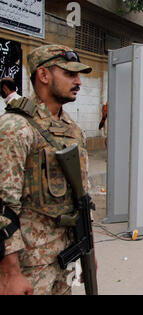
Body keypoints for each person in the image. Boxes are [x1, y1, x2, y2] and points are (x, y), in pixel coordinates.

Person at [0, 44, 93, 295]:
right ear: (43, 75)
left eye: (78, 75)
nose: (78, 81)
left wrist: (88, 251)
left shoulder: (73, 131)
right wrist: (10, 273)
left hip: (64, 258)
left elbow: (82, 199)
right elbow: (2, 204)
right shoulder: (16, 127)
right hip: (27, 264)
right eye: (69, 74)